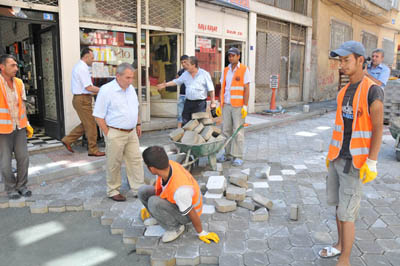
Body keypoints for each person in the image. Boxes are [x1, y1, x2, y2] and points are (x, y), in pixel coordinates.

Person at [321, 41, 383, 266]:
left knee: (348, 214)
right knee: (339, 207)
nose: (342, 65)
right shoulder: (343, 92)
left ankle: (345, 259)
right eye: (340, 61)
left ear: (360, 60)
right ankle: (339, 245)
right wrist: (331, 156)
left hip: (355, 163)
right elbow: (340, 127)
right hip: (338, 158)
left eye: (346, 60)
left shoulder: (373, 91)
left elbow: (377, 128)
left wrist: (372, 161)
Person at [138, 146, 220, 244]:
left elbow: (192, 213)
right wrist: (147, 206)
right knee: (143, 191)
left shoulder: (181, 191)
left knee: (153, 202)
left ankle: (175, 228)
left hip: (187, 214)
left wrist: (201, 232)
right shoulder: (165, 166)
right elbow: (159, 185)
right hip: (176, 201)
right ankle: (158, 217)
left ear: (151, 169)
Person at [93, 63, 144, 201]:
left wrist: (138, 123)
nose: (130, 80)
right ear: (118, 76)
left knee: (136, 160)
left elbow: (136, 107)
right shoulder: (106, 90)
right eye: (127, 77)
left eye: (132, 77)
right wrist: (108, 133)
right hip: (115, 132)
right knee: (113, 163)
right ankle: (113, 190)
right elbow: (98, 115)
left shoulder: (131, 89)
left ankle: (138, 188)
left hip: (131, 132)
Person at [61, 48, 105, 157]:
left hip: (81, 99)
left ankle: (67, 140)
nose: (93, 60)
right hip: (83, 99)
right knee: (91, 125)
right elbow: (89, 87)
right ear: (86, 57)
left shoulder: (80, 66)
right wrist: (103, 90)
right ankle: (93, 150)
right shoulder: (82, 68)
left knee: (87, 124)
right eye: (92, 57)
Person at [0, 54, 32, 199]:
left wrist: (26, 124)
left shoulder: (19, 83)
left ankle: (22, 186)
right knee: (5, 163)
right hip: (2, 130)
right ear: (2, 67)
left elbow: (22, 105)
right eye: (12, 65)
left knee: (24, 158)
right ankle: (11, 188)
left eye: (16, 65)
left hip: (19, 127)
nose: (16, 68)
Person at [156, 56, 216, 126]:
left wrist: (213, 102)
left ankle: (196, 137)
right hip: (188, 103)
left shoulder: (204, 74)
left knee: (198, 124)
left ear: (194, 65)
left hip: (200, 104)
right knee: (185, 123)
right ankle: (187, 136)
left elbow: (211, 89)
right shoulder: (185, 74)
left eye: (187, 64)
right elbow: (177, 81)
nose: (185, 66)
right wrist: (165, 85)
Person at [216, 47, 250, 167]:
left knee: (238, 131)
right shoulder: (225, 70)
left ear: (238, 56)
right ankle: (227, 154)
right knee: (226, 131)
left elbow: (246, 89)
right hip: (226, 105)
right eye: (229, 56)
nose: (231, 57)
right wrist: (220, 103)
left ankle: (238, 156)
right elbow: (222, 87)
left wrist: (245, 106)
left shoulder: (244, 70)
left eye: (233, 55)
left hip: (238, 106)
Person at [176, 55, 189, 128]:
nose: (183, 64)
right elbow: (177, 80)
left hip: (189, 96)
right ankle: (179, 128)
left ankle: (188, 128)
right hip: (182, 95)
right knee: (180, 113)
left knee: (188, 113)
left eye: (185, 62)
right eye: (182, 63)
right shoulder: (181, 71)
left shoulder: (192, 71)